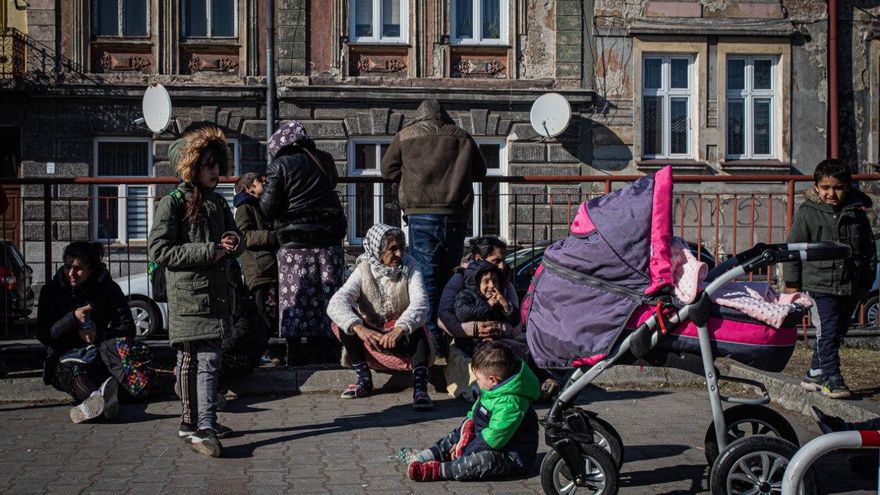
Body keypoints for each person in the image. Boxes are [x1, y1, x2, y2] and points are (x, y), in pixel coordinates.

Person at [148, 126, 245, 458]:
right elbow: (159, 250)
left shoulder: (218, 202)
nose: (215, 171)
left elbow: (233, 236)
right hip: (188, 296)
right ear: (191, 168)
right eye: (208, 165)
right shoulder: (173, 203)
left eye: (217, 164)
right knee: (198, 359)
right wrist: (210, 251)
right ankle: (199, 424)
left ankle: (198, 423)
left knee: (206, 359)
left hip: (216, 295)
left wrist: (233, 243)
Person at [381, 99, 487, 356]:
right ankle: (452, 337)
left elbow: (387, 171)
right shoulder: (462, 136)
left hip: (422, 214)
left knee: (424, 279)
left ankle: (431, 342)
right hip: (456, 214)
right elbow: (480, 172)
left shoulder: (406, 135)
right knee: (451, 277)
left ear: (418, 116)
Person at [783, 159, 876, 399]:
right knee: (827, 331)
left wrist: (866, 282)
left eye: (837, 187)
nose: (831, 193)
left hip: (849, 285)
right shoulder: (808, 213)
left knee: (837, 332)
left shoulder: (857, 215)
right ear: (816, 187)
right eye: (825, 188)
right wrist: (792, 283)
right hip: (819, 284)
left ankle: (814, 372)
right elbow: (793, 249)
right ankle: (831, 378)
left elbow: (868, 252)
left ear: (847, 187)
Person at [327, 224, 434, 409]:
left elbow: (420, 303)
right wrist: (360, 329)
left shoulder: (411, 266)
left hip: (400, 336)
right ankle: (364, 379)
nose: (399, 254)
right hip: (373, 335)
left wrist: (401, 328)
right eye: (393, 249)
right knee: (344, 322)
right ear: (378, 249)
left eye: (401, 248)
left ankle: (420, 388)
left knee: (418, 328)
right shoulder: (364, 269)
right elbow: (337, 302)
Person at [439, 236, 558, 402]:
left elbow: (517, 318)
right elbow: (444, 315)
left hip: (501, 338)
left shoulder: (503, 280)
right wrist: (474, 328)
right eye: (496, 261)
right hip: (469, 341)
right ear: (479, 259)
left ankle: (542, 381)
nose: (502, 266)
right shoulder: (462, 280)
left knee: (523, 350)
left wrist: (502, 327)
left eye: (503, 260)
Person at [401, 341, 541, 482]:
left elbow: (493, 439)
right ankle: (425, 456)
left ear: (493, 379)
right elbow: (474, 413)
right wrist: (463, 435)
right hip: (481, 442)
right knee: (455, 434)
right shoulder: (493, 389)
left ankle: (438, 470)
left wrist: (465, 452)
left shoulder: (511, 403)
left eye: (478, 378)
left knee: (481, 462)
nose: (476, 382)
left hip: (510, 456)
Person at [260, 121, 346, 347]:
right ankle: (327, 351)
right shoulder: (325, 159)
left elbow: (268, 208)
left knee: (295, 300)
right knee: (326, 299)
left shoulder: (279, 166)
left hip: (294, 245)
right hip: (328, 242)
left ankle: (296, 354)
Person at [37, 241, 135, 424]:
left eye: (78, 268)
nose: (71, 274)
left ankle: (99, 402)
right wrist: (72, 318)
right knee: (75, 371)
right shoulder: (51, 291)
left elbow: (128, 328)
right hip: (63, 357)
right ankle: (96, 400)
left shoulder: (108, 289)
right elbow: (44, 335)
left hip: (100, 355)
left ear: (91, 269)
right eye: (67, 267)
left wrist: (99, 334)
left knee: (119, 377)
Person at [234, 172, 278, 339]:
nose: (264, 184)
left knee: (271, 313)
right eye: (259, 181)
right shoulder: (245, 207)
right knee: (262, 314)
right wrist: (270, 236)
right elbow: (243, 235)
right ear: (249, 188)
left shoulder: (260, 205)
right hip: (259, 270)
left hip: (268, 268)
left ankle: (270, 350)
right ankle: (263, 350)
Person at [454, 260, 520, 327]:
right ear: (476, 283)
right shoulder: (466, 295)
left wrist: (506, 306)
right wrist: (487, 306)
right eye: (486, 281)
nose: (492, 285)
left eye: (495, 281)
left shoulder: (499, 298)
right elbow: (462, 313)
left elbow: (515, 321)